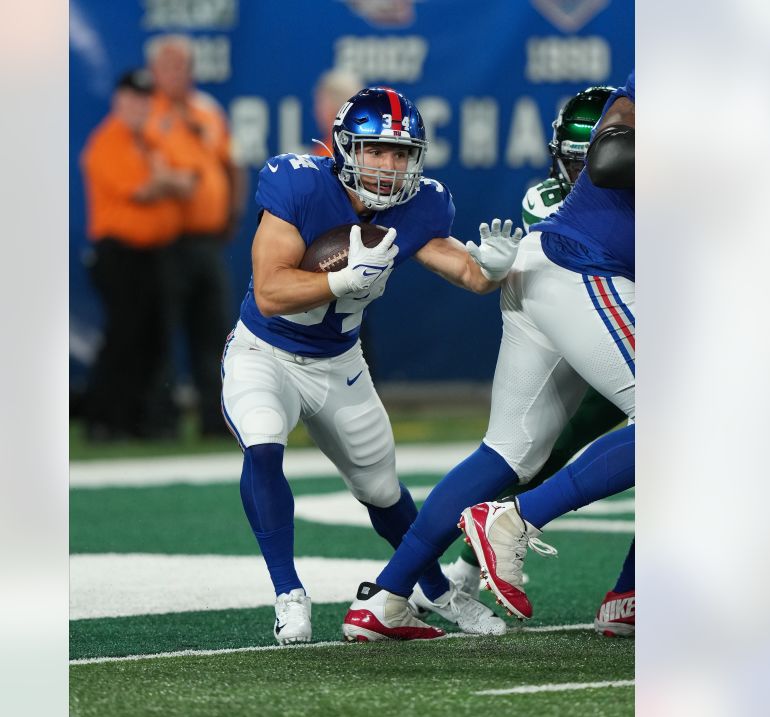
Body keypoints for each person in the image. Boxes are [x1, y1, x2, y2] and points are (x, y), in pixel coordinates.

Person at [221, 87, 523, 645]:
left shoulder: (422, 204)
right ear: (343, 149)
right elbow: (268, 291)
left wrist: (496, 270)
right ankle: (289, 592)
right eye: (375, 151)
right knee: (263, 440)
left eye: (401, 154)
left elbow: (468, 273)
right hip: (266, 352)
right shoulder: (299, 184)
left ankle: (434, 591)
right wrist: (339, 280)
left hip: (339, 363)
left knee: (383, 491)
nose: (389, 166)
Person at [342, 71, 636, 641]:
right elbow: (610, 156)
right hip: (588, 268)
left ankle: (385, 598)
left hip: (558, 270)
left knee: (508, 450)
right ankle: (516, 521)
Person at [435, 86, 635, 637]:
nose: (582, 169)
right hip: (586, 309)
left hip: (622, 315)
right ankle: (490, 538)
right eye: (576, 157)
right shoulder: (557, 199)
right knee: (541, 451)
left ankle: (632, 587)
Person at [79, 68, 196, 441]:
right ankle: (105, 421)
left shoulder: (149, 140)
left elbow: (188, 181)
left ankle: (143, 420)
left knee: (153, 340)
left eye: (145, 99)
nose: (140, 106)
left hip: (154, 255)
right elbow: (146, 189)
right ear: (119, 101)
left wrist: (168, 182)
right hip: (120, 255)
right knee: (124, 338)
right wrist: (166, 182)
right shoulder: (107, 142)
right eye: (132, 98)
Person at [147, 34, 245, 438]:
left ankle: (215, 419)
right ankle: (160, 420)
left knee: (215, 331)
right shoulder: (145, 114)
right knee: (160, 331)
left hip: (207, 240)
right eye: (169, 66)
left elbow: (232, 163)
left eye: (183, 65)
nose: (177, 74)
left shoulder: (207, 110)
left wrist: (233, 212)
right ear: (155, 71)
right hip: (164, 241)